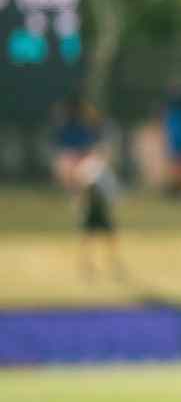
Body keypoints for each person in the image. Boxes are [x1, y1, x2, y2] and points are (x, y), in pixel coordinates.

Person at [52, 96, 122, 280]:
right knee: (88, 238)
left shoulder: (102, 170)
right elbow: (81, 188)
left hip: (101, 210)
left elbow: (112, 192)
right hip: (92, 210)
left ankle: (111, 262)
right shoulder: (88, 166)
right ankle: (87, 263)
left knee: (107, 236)